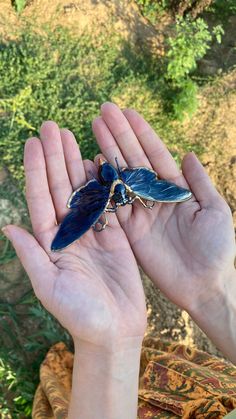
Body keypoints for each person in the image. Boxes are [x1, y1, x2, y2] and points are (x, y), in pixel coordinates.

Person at [1, 102, 236, 419]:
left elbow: (130, 195)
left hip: (114, 182)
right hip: (112, 182)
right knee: (90, 213)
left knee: (102, 208)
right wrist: (215, 289)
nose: (122, 202)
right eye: (118, 199)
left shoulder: (118, 192)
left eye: (122, 198)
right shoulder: (112, 193)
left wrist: (108, 348)